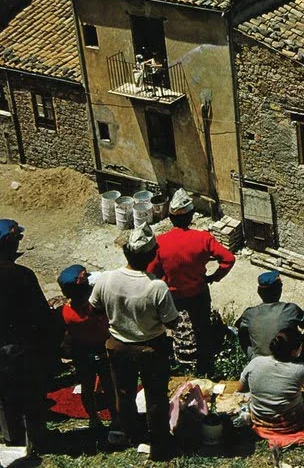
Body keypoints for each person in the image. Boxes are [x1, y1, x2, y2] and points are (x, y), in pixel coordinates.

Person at [90, 224, 180, 461]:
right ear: (152, 256)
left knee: (124, 392)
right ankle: (159, 441)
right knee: (155, 394)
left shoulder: (106, 279)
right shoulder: (156, 286)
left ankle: (130, 433)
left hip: (118, 345)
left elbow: (94, 308)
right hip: (151, 347)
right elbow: (172, 322)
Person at [149, 188, 235, 374]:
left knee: (176, 328)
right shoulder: (203, 238)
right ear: (191, 216)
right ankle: (205, 367)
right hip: (199, 293)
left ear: (171, 219)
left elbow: (150, 274)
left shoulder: (160, 243)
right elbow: (229, 259)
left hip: (173, 296)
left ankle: (181, 365)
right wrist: (214, 277)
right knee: (202, 328)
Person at [0, 219, 53, 458]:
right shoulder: (22, 275)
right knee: (30, 394)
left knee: (5, 399)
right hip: (21, 348)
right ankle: (37, 439)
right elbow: (41, 315)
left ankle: (13, 441)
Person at [239, 329, 304, 433]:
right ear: (294, 351)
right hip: (290, 424)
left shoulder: (255, 362)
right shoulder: (299, 370)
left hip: (260, 421)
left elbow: (240, 388)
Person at [58, 264, 113, 435]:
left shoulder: (66, 312)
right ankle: (117, 416)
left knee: (87, 387)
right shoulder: (96, 308)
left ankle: (93, 418)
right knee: (110, 385)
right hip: (103, 348)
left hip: (82, 352)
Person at [236, 271, 304, 362]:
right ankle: (301, 363)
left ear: (259, 292)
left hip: (258, 362)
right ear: (279, 290)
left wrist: (251, 356)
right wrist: (303, 358)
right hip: (287, 362)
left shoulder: (249, 314)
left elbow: (240, 333)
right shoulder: (290, 310)